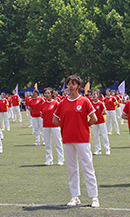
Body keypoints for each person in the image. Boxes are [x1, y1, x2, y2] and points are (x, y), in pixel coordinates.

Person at [53, 75, 100, 208]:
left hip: (82, 139)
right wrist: (66, 127)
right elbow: (55, 120)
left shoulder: (84, 101)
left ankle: (94, 197)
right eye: (69, 84)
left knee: (87, 167)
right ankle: (75, 196)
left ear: (79, 86)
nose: (71, 87)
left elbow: (94, 118)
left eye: (73, 84)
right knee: (72, 169)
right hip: (68, 139)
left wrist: (84, 127)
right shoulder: (62, 102)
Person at [40, 87, 64, 166]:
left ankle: (60, 159)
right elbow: (41, 115)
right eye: (46, 93)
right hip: (45, 125)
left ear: (52, 94)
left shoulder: (56, 103)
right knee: (47, 143)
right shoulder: (43, 104)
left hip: (55, 126)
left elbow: (59, 114)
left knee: (58, 143)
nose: (46, 95)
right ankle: (49, 159)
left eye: (48, 93)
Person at [91, 91, 110, 155]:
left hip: (101, 121)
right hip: (94, 122)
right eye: (92, 95)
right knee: (96, 136)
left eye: (95, 94)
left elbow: (105, 110)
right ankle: (97, 150)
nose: (94, 96)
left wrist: (104, 112)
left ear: (98, 95)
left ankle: (107, 149)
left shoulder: (100, 103)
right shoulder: (91, 104)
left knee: (104, 135)